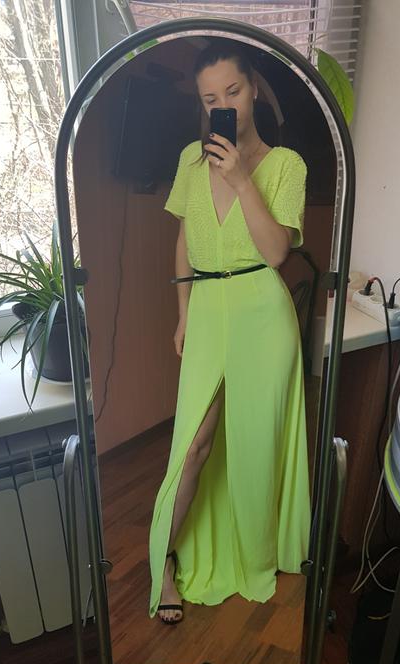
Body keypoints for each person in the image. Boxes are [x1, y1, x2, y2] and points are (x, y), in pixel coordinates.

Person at [148, 38, 311, 624]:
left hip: (262, 313)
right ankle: (165, 561)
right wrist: (183, 312)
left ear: (254, 89)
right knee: (193, 445)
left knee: (255, 440)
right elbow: (183, 241)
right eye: (210, 98)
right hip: (208, 308)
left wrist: (243, 180)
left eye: (233, 91)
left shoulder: (287, 165)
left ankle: (254, 550)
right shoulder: (191, 163)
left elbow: (277, 254)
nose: (224, 105)